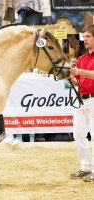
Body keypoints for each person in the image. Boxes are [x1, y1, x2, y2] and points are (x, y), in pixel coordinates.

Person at [69, 25, 94, 182]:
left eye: (88, 37)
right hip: (81, 99)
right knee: (78, 134)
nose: (84, 40)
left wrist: (79, 72)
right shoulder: (81, 59)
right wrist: (69, 76)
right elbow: (76, 82)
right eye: (83, 37)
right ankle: (85, 167)